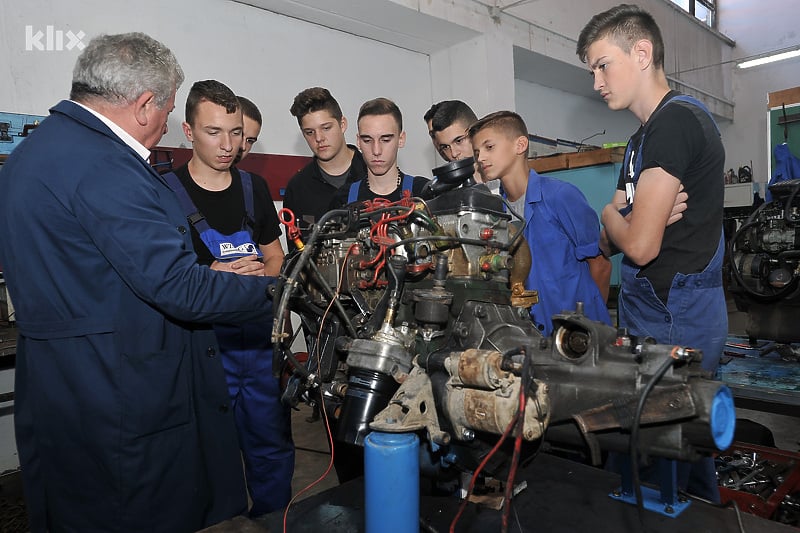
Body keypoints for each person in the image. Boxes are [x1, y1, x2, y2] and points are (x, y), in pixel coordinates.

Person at [0, 33, 277, 532]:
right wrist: (279, 293)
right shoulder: (105, 165)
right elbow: (178, 287)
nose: (168, 122)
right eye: (170, 110)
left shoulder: (32, 153)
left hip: (61, 389)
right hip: (122, 396)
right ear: (146, 104)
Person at [577, 4, 726, 502]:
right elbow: (611, 240)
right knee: (652, 462)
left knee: (671, 466)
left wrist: (613, 216)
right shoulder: (640, 140)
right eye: (592, 71)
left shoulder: (675, 124)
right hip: (650, 312)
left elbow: (638, 244)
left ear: (642, 52)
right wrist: (617, 218)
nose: (597, 82)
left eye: (603, 65)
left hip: (677, 316)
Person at [164, 83, 293, 517]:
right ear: (188, 131)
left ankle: (275, 518)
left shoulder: (254, 187)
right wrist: (210, 276)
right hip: (202, 346)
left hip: (257, 343)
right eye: (214, 132)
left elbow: (276, 256)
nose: (228, 145)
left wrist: (261, 277)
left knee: (269, 442)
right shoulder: (163, 192)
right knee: (207, 450)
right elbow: (158, 275)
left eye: (236, 133)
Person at [469, 111, 611, 335]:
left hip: (579, 335)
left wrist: (590, 328)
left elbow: (600, 265)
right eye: (477, 152)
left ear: (520, 145)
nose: (481, 158)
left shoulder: (560, 196)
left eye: (489, 147)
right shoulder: (496, 212)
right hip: (530, 335)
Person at [286, 87, 368, 234]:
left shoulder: (372, 172)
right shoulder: (297, 188)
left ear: (342, 124)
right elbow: (298, 253)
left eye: (326, 128)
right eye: (310, 132)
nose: (318, 138)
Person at [331, 97, 429, 207]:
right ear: (358, 142)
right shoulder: (343, 198)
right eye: (367, 140)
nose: (376, 151)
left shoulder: (424, 193)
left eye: (385, 140)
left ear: (401, 139)